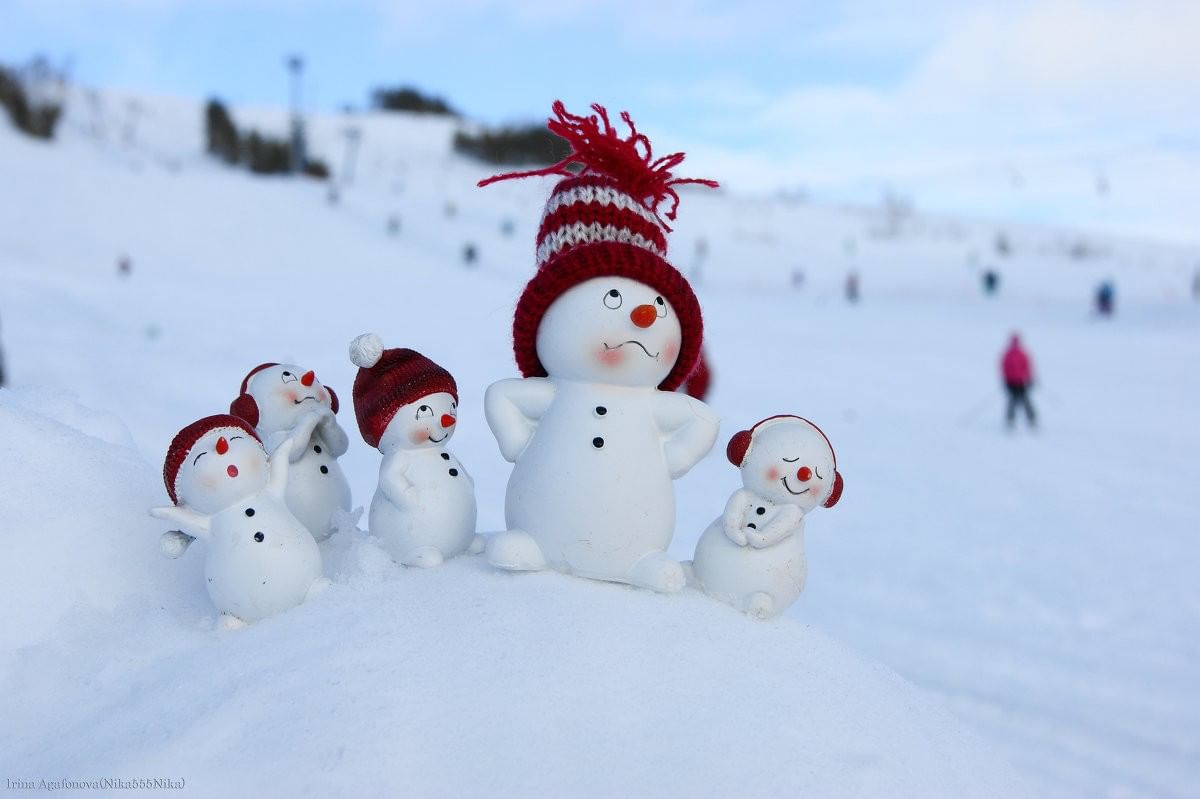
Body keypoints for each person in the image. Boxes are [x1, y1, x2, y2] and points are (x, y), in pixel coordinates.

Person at [1000, 333, 1036, 429]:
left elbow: (1027, 367)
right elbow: (1004, 368)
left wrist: (1029, 378)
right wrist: (1005, 379)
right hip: (1011, 382)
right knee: (1012, 401)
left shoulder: (1022, 354)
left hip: (1021, 382)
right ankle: (1010, 419)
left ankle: (1031, 418)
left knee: (1025, 400)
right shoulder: (1008, 354)